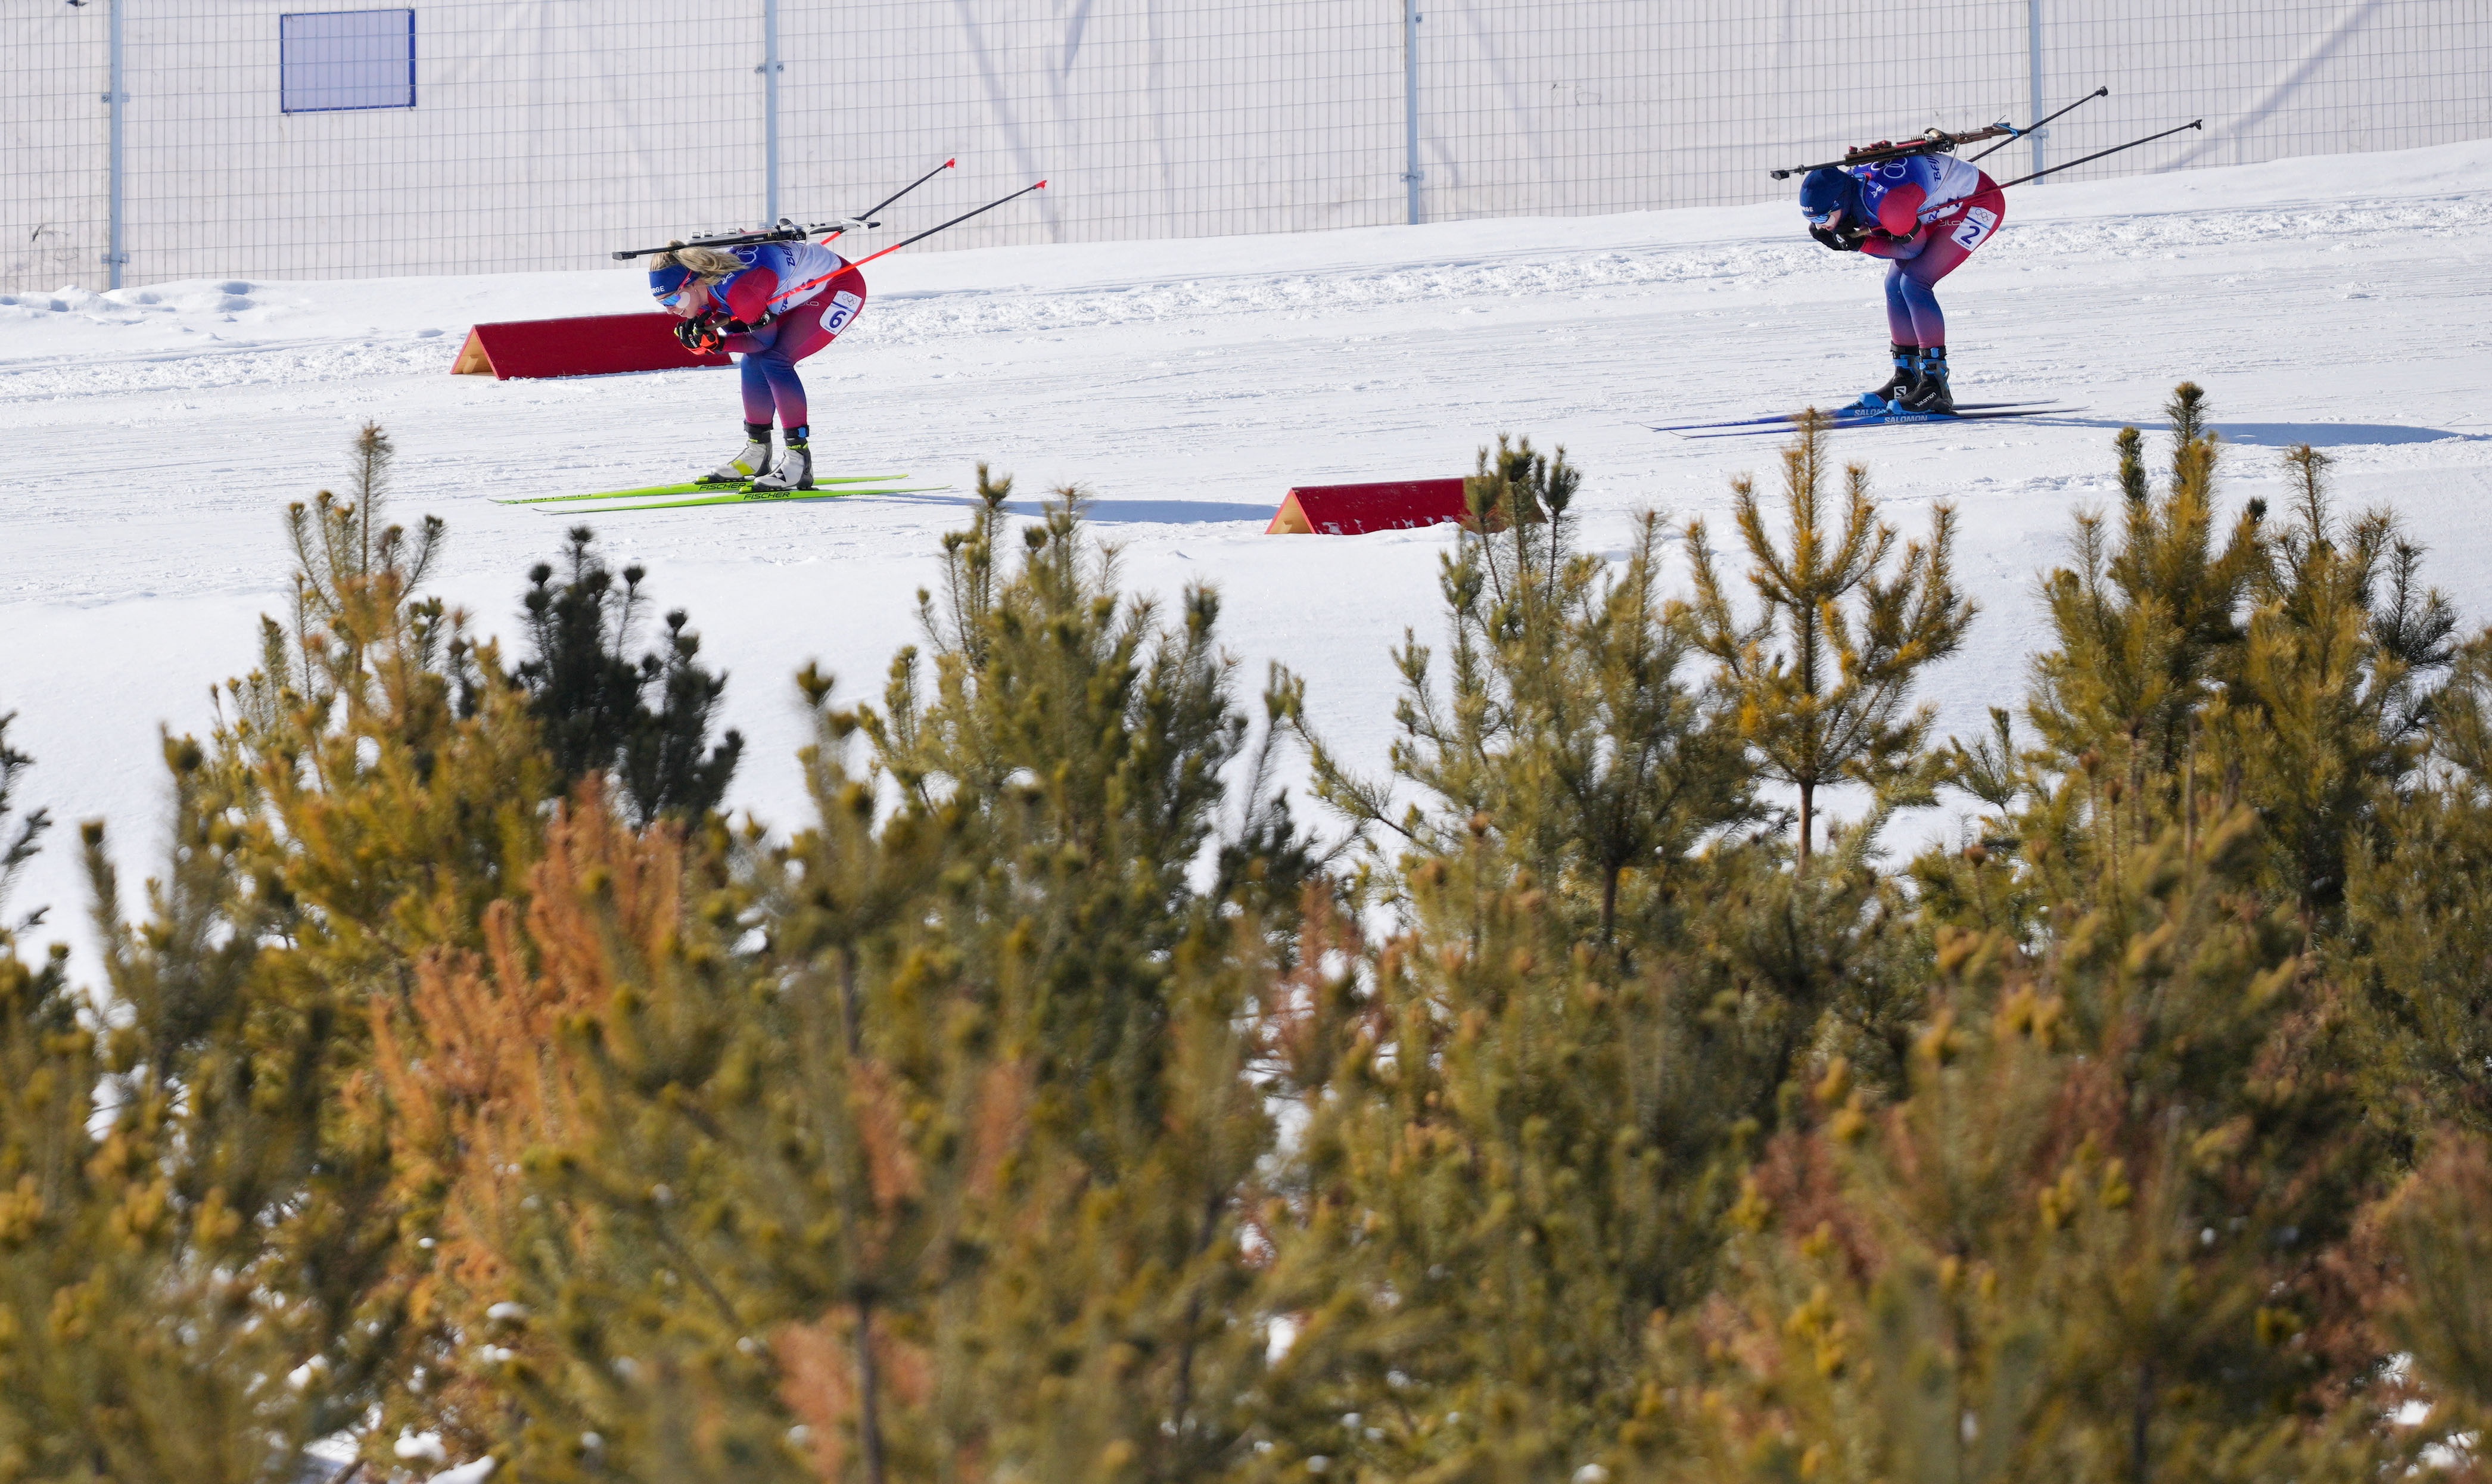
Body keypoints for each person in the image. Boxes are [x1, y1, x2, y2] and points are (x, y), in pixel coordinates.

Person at [647, 238, 868, 490]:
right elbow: (736, 323)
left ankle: (798, 461)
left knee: (775, 360)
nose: (670, 311)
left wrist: (718, 344)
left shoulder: (741, 291)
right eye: (663, 304)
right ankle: (757, 454)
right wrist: (707, 332)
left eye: (671, 301)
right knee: (752, 363)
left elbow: (763, 341)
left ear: (696, 283)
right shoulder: (710, 285)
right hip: (800, 287)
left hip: (839, 286)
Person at [1797, 148, 2006, 415]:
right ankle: (1907, 378)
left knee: (1914, 282)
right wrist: (1853, 237)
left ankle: (1935, 386)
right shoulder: (1853, 188)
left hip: (1977, 203)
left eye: (1823, 219)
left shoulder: (1890, 207)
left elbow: (1910, 250)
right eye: (1812, 221)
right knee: (1893, 285)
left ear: (1841, 202)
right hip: (1934, 204)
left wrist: (1860, 243)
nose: (1821, 226)